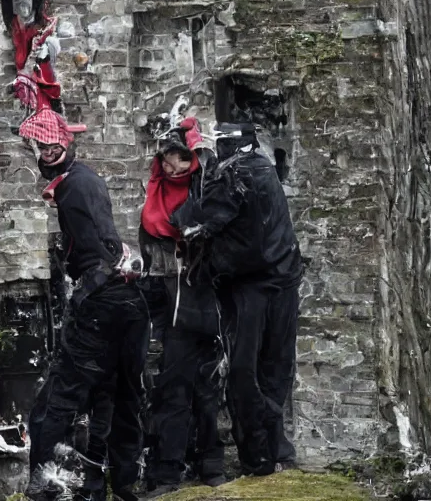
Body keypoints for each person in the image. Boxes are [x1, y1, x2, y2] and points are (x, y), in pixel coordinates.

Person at [20, 108, 149, 501]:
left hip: (103, 300)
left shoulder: (76, 187)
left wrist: (86, 288)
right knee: (113, 393)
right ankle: (116, 482)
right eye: (40, 147)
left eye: (50, 146)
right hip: (123, 301)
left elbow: (103, 248)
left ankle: (50, 484)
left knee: (59, 398)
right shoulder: (79, 181)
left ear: (65, 145)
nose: (45, 151)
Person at [171, 123, 302, 477]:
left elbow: (191, 223)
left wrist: (187, 213)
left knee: (246, 372)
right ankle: (276, 452)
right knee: (275, 368)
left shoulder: (235, 175)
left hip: (251, 285)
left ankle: (258, 456)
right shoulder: (262, 168)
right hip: (282, 278)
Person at [138, 117, 225, 495]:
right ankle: (169, 473)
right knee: (172, 387)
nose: (174, 167)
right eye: (169, 159)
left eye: (182, 160)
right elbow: (149, 246)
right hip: (167, 305)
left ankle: (212, 466)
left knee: (206, 389)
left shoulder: (205, 192)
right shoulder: (156, 188)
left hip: (203, 300)